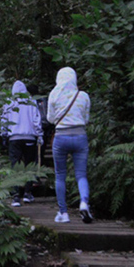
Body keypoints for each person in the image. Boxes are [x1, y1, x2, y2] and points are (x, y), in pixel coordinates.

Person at [47, 67, 92, 223]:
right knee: (81, 174)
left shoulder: (54, 94)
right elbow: (86, 119)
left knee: (60, 176)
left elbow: (50, 119)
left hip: (61, 137)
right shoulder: (83, 96)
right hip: (80, 136)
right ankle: (84, 203)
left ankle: (63, 213)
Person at [0, 80, 43, 207]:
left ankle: (16, 196)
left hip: (14, 138)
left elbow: (4, 120)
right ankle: (28, 193)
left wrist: (4, 134)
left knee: (15, 166)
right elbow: (36, 120)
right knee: (29, 165)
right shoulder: (31, 102)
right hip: (30, 137)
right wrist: (39, 135)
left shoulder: (9, 102)